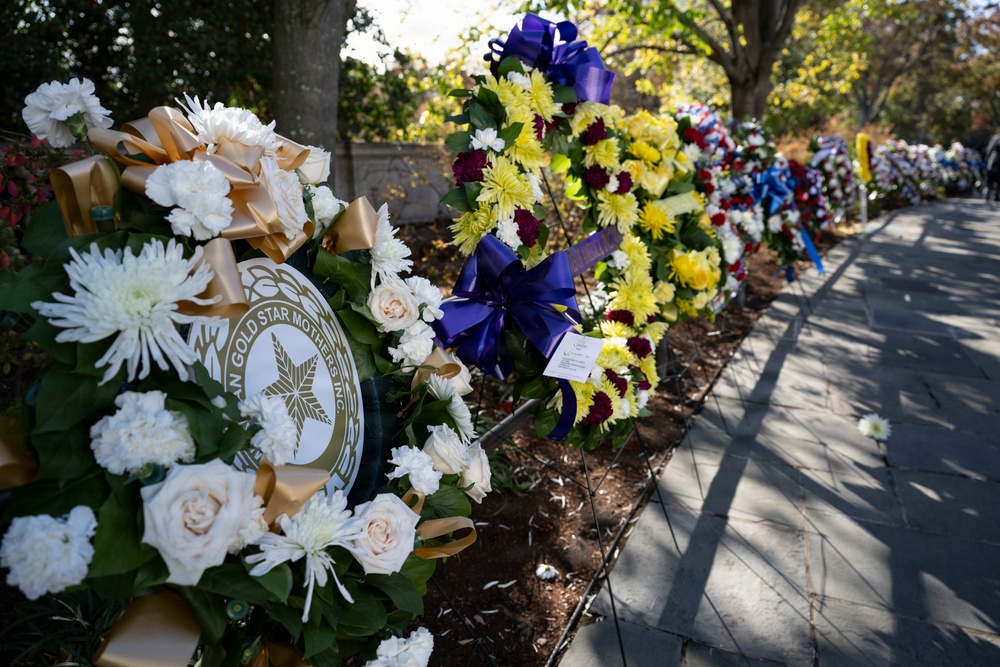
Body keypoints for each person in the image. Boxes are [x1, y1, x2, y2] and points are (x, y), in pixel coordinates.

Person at [985, 132, 1000, 201]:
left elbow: (989, 149)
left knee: (990, 179)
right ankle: (996, 194)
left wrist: (986, 159)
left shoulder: (996, 138)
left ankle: (988, 193)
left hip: (993, 161)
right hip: (996, 162)